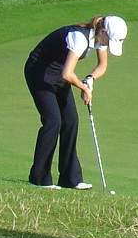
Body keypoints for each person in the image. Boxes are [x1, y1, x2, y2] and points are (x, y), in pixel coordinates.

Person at [23, 15, 128, 189]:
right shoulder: (79, 38)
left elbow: (102, 65)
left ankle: (70, 179)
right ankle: (39, 178)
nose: (109, 46)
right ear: (103, 32)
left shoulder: (100, 38)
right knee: (53, 121)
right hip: (39, 71)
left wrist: (90, 79)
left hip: (58, 72)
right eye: (109, 41)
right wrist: (83, 88)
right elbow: (67, 74)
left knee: (71, 121)